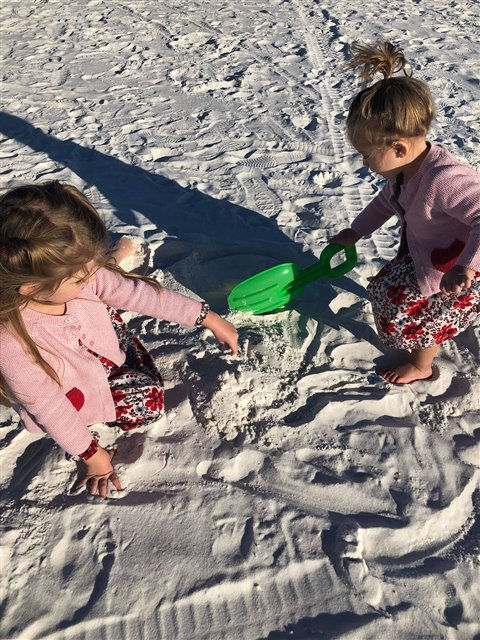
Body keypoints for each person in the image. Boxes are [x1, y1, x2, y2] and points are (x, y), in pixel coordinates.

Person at [0, 181, 238, 497]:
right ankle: (113, 259)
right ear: (31, 287)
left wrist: (206, 317)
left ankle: (114, 257)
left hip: (100, 342)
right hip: (73, 391)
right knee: (147, 404)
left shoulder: (75, 278)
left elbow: (135, 293)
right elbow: (48, 405)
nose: (90, 278)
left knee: (110, 286)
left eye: (91, 268)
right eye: (80, 276)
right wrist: (90, 454)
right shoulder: (10, 341)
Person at [330, 41, 480, 384]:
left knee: (425, 316)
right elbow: (385, 203)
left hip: (457, 271)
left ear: (399, 148)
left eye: (367, 155)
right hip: (425, 257)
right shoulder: (404, 172)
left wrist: (467, 267)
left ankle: (422, 364)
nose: (364, 163)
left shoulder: (444, 179)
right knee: (384, 290)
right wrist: (356, 231)